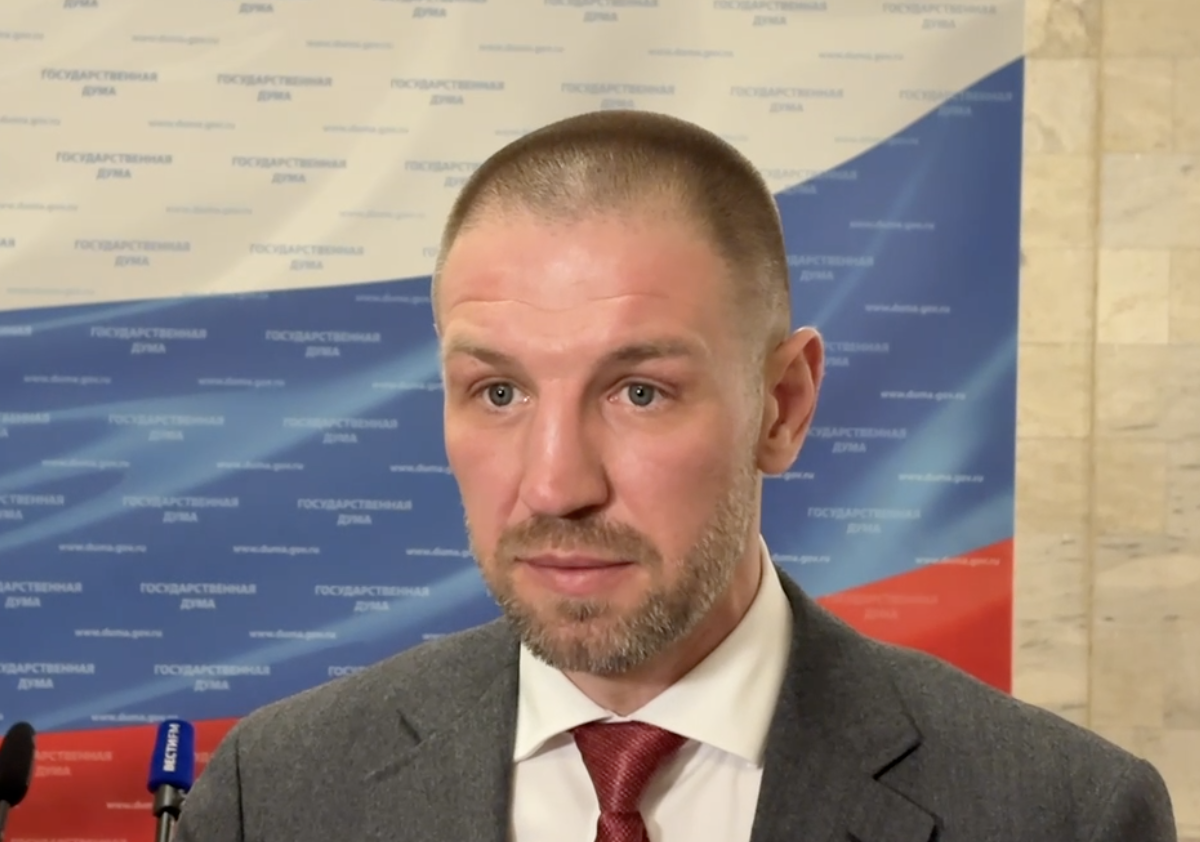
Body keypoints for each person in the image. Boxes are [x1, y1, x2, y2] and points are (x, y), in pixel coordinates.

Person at [172, 110, 1177, 842]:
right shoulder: (279, 795)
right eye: (498, 392)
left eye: (639, 392)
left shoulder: (1060, 813)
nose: (555, 485)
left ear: (780, 405)